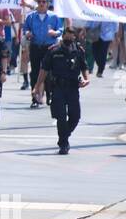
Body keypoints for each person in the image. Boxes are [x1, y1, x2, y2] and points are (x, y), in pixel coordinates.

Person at [33, 25, 89, 155]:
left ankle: (64, 136)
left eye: (72, 35)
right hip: (58, 87)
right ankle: (63, 144)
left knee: (75, 116)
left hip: (73, 87)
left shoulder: (78, 50)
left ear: (74, 37)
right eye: (67, 35)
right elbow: (44, 70)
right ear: (63, 35)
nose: (69, 37)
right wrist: (37, 87)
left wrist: (86, 79)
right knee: (61, 117)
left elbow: (84, 66)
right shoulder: (54, 50)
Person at [24, 0, 61, 107]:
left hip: (49, 47)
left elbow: (60, 29)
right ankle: (35, 97)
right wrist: (27, 33)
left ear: (47, 3)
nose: (41, 4)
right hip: (35, 46)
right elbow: (25, 28)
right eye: (39, 1)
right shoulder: (31, 16)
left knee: (48, 72)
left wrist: (55, 33)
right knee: (35, 72)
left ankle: (49, 95)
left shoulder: (53, 16)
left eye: (43, 2)